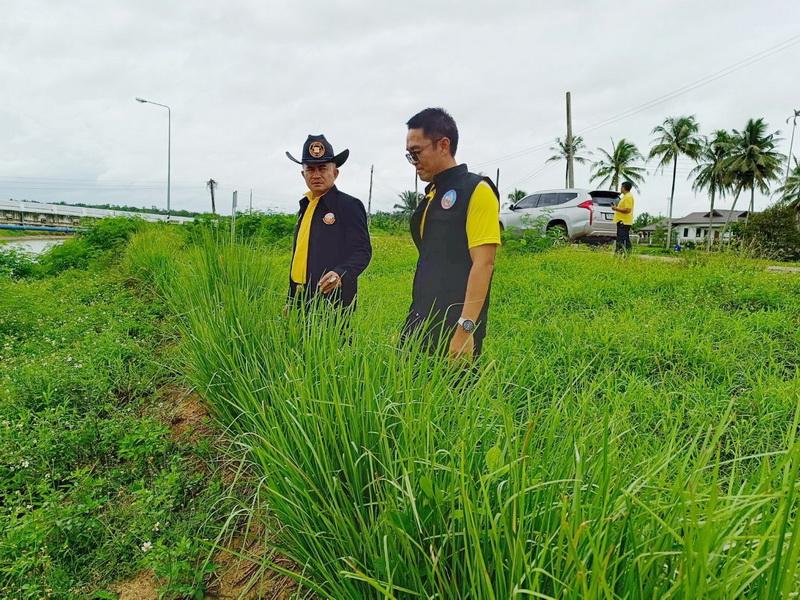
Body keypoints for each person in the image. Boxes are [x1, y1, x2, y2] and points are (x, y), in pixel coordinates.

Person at [401, 108, 501, 361]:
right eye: (409, 155)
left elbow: (484, 263)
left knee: (452, 397)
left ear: (443, 144)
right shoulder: (432, 194)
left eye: (417, 153)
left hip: (456, 323)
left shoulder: (477, 190)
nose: (414, 161)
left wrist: (465, 331)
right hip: (421, 316)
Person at [285, 134, 372, 310]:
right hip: (300, 299)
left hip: (332, 301)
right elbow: (299, 258)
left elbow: (362, 252)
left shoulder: (349, 206)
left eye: (323, 168)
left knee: (333, 339)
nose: (316, 175)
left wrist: (341, 274)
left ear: (335, 172)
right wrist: (290, 299)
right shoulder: (305, 206)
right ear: (303, 174)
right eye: (310, 169)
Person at [612, 181, 635, 253]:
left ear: (624, 187)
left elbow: (628, 210)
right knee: (624, 238)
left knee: (621, 239)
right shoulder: (625, 197)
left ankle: (620, 253)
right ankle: (626, 254)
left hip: (624, 222)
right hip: (622, 221)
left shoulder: (628, 197)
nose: (620, 189)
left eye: (621, 187)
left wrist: (616, 208)